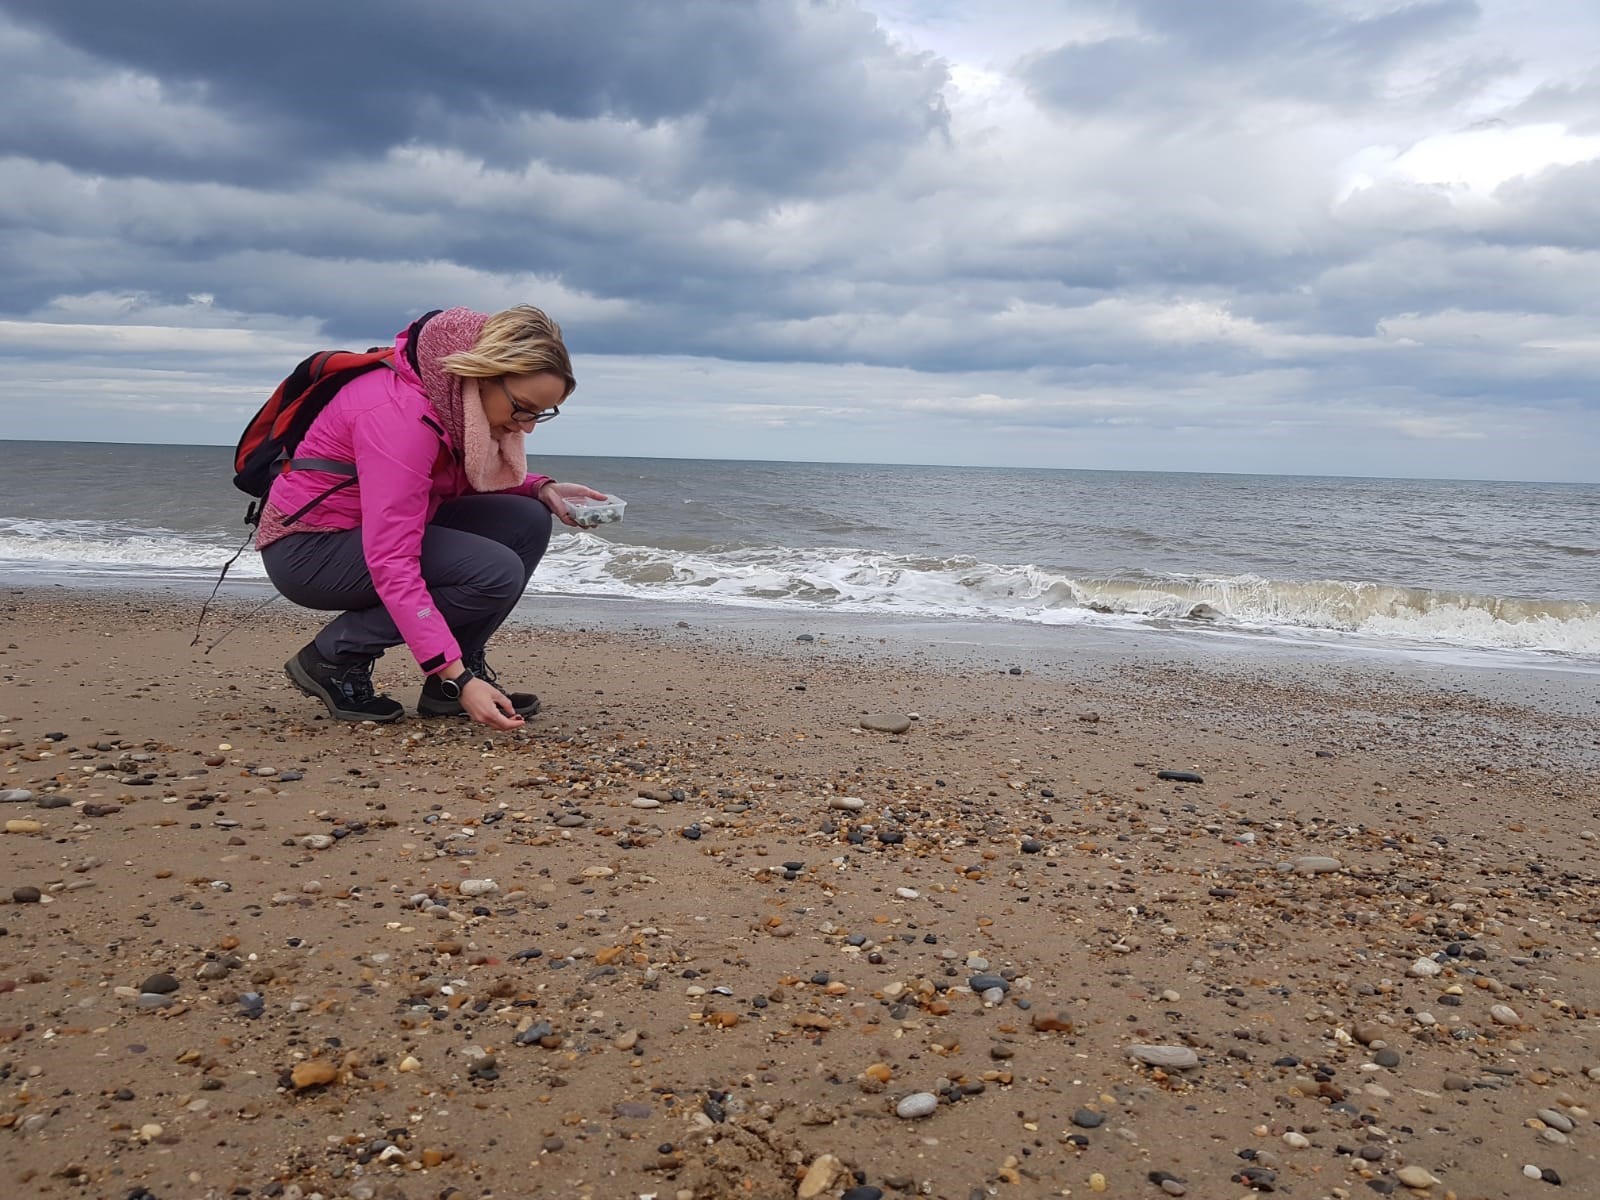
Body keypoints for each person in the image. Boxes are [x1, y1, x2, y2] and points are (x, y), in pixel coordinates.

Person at [256, 305, 605, 731]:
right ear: (479, 374)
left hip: (359, 534)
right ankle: (333, 657)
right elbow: (392, 560)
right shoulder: (399, 417)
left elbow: (448, 478)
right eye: (523, 409)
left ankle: (447, 689)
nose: (527, 428)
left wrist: (539, 486)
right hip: (309, 551)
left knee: (525, 518)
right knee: (494, 573)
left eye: (541, 414)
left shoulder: (445, 397)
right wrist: (453, 673)